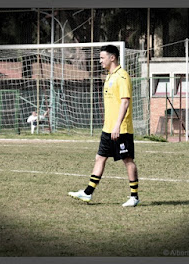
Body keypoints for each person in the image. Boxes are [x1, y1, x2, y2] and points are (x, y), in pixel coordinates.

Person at [68, 45, 140, 207]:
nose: (100, 61)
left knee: (128, 160)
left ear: (112, 57)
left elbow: (125, 102)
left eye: (102, 57)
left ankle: (134, 197)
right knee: (100, 158)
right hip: (108, 129)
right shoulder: (109, 76)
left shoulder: (122, 76)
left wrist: (117, 126)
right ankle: (87, 193)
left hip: (121, 129)